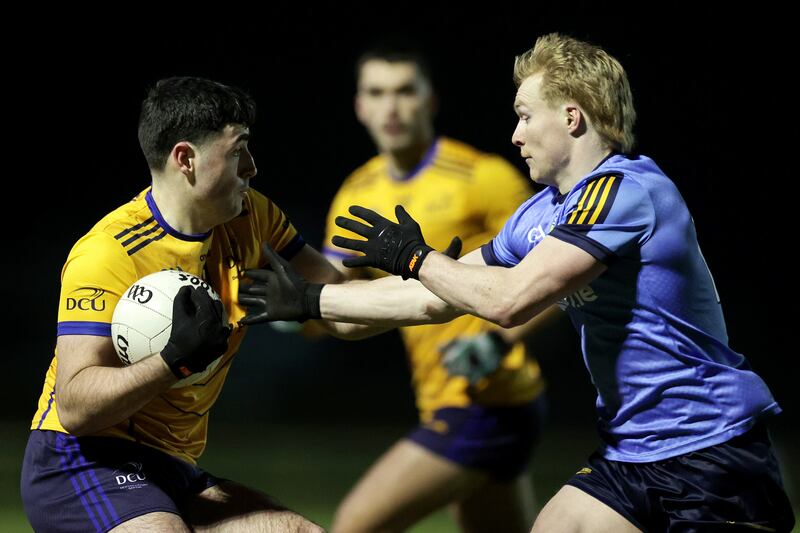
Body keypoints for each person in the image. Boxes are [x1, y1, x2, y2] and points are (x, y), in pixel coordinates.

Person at [239, 34, 796, 532]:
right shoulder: (539, 215)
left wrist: (415, 256)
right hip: (629, 456)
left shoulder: (627, 191)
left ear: (572, 118)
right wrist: (314, 300)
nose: (515, 133)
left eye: (526, 116)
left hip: (711, 453)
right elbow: (436, 299)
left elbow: (510, 301)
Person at [21, 76, 336, 532]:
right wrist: (172, 362)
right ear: (185, 158)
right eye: (238, 150)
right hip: (81, 462)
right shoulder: (109, 251)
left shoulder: (251, 218)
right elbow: (74, 407)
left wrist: (423, 269)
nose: (252, 167)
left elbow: (335, 297)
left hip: (170, 467)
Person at [320, 45, 548, 533]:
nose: (392, 107)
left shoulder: (483, 177)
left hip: (488, 400)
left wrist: (497, 341)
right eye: (377, 93)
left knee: (351, 526)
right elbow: (342, 299)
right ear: (360, 105)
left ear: (429, 99)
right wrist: (298, 311)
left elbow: (560, 280)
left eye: (405, 90)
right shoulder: (355, 193)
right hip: (441, 398)